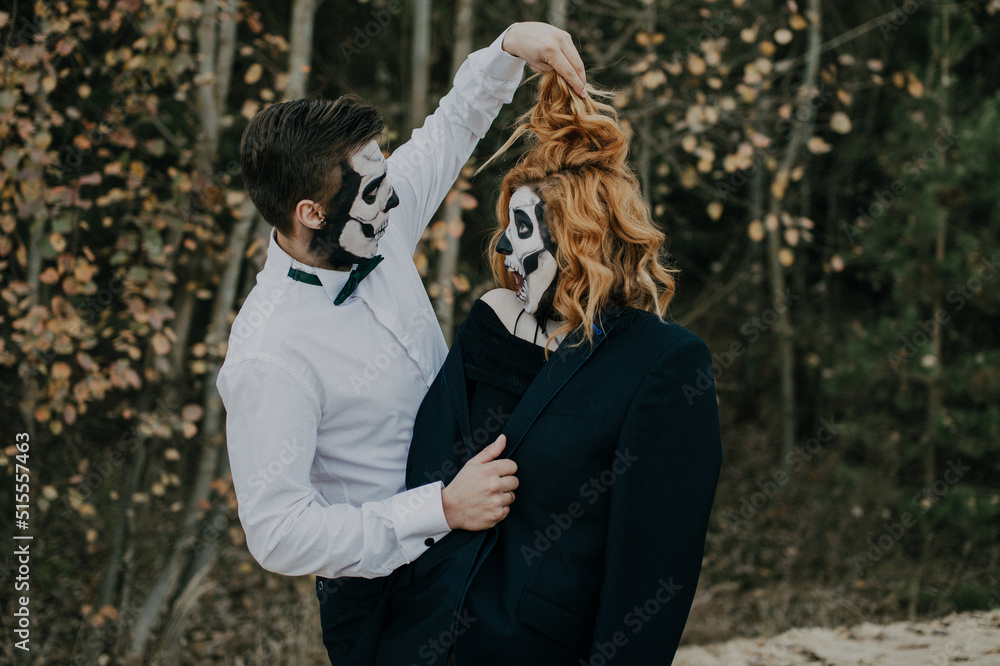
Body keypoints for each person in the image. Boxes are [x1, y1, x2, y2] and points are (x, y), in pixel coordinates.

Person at [215, 23, 588, 665]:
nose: (394, 197)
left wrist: (507, 49)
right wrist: (439, 510)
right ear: (310, 212)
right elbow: (278, 535)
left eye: (387, 177)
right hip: (384, 594)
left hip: (479, 536)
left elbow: (451, 128)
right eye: (373, 190)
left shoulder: (370, 222)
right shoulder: (268, 354)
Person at [366, 71, 723, 665]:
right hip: (420, 641)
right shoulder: (492, 326)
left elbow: (652, 569)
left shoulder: (665, 363)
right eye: (506, 227)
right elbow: (426, 467)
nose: (503, 249)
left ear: (579, 234)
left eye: (522, 229)